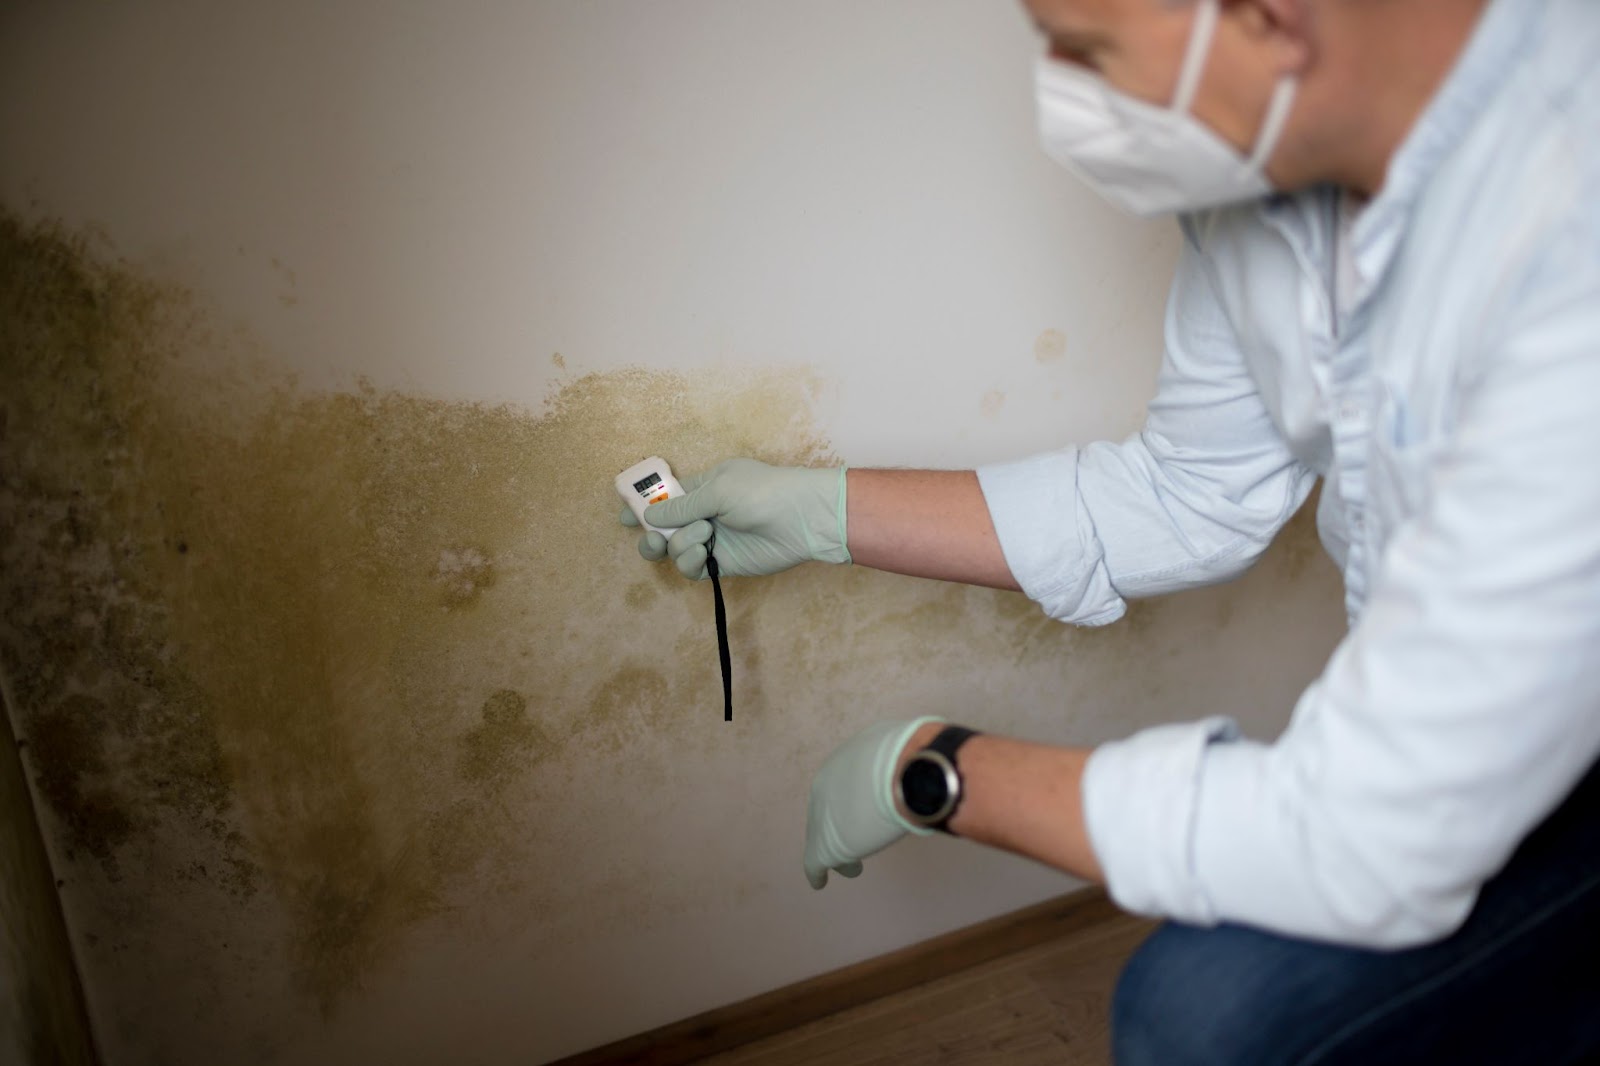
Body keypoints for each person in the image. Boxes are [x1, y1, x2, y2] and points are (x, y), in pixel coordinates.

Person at [618, 0, 1600, 1061]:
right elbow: (1189, 492)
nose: (1064, 98)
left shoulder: (1569, 222)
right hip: (1473, 732)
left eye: (1082, 47)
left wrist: (936, 768)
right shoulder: (1263, 189)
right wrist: (821, 511)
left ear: (1270, 15)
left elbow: (1367, 833)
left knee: (1204, 1016)